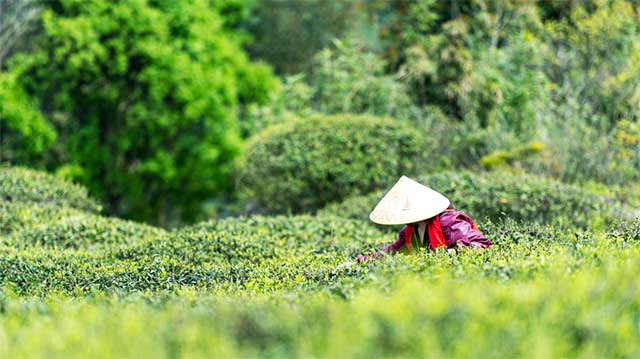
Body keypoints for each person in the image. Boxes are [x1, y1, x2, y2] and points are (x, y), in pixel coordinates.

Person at [357, 176, 491, 262]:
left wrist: (451, 252)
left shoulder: (449, 222)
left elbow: (481, 244)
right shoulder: (409, 231)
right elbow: (391, 252)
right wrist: (363, 260)